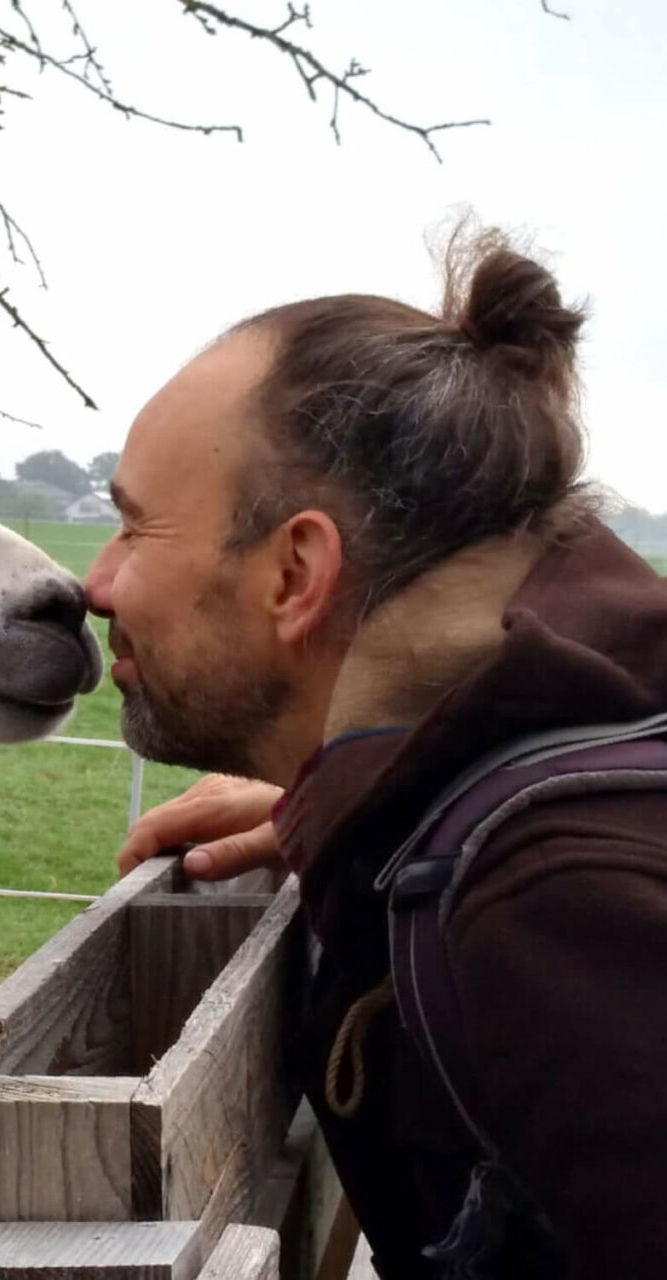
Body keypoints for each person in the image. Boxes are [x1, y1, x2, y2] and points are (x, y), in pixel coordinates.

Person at [84, 226, 667, 1278]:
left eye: (133, 528)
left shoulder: (552, 899)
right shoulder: (505, 793)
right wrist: (358, 806)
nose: (92, 580)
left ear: (295, 572)